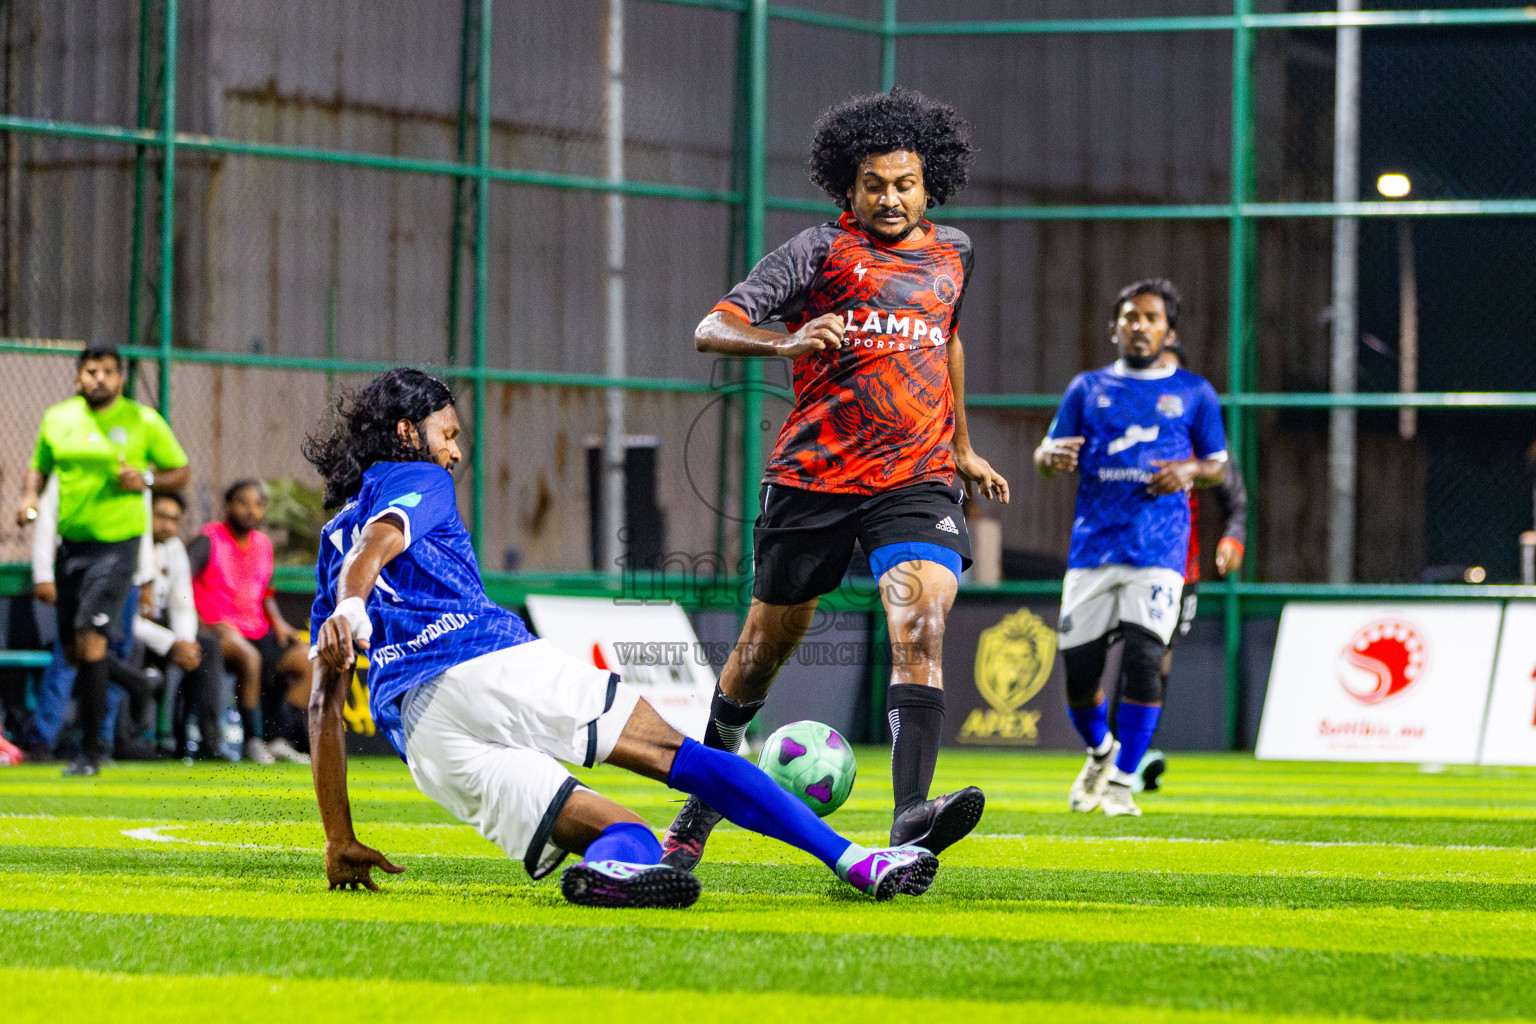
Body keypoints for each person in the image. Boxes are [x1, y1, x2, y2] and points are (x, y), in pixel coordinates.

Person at [302, 369, 939, 907]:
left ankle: (618, 869)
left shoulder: (328, 551)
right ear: (408, 432)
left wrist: (340, 838)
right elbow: (382, 539)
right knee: (681, 758)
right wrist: (354, 607)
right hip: (483, 659)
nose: (455, 453)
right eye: (448, 435)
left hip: (426, 739)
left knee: (623, 834)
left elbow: (322, 706)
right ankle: (856, 860)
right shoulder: (415, 480)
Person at [662, 88, 1009, 871]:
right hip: (816, 476)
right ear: (847, 188)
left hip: (914, 479)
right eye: (874, 184)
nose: (891, 198)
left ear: (929, 184)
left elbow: (946, 341)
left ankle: (911, 814)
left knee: (920, 622)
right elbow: (710, 327)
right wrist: (784, 345)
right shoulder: (815, 252)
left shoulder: (955, 251)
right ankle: (701, 805)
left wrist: (960, 445)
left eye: (905, 183)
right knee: (760, 655)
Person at [1034, 279, 1228, 817]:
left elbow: (1218, 466)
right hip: (1093, 548)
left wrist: (1189, 469)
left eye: (1150, 317)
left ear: (1170, 331)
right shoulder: (1086, 388)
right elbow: (1045, 453)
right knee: (1079, 675)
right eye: (1130, 317)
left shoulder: (1194, 392)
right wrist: (1051, 459)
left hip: (1158, 551)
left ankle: (1121, 782)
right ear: (1114, 327)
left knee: (1146, 660)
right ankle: (1100, 753)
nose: (1139, 325)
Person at [13, 343, 189, 775]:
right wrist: (30, 495)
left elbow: (180, 470)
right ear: (78, 377)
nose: (99, 379)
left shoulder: (142, 420)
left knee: (91, 639)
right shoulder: (58, 419)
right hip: (71, 547)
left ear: (120, 379)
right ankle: (134, 682)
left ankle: (92, 751)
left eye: (109, 372)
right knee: (75, 649)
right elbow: (40, 465)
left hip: (118, 545)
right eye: (92, 371)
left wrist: (146, 477)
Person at [191, 480, 309, 764]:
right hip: (218, 631)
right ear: (228, 505)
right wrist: (200, 624)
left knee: (309, 660)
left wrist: (280, 624)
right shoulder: (208, 539)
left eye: (258, 504)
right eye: (243, 502)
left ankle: (277, 737)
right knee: (250, 658)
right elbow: (182, 579)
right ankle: (252, 740)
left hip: (257, 629)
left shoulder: (263, 544)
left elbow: (264, 591)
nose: (251, 510)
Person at [136, 492, 227, 760]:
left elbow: (182, 601)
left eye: (174, 519)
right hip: (135, 633)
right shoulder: (129, 544)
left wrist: (185, 640)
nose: (168, 526)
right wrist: (171, 643)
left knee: (206, 647)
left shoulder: (173, 547)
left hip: (164, 632)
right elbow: (126, 620)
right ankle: (130, 741)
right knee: (131, 649)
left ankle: (207, 741)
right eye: (161, 517)